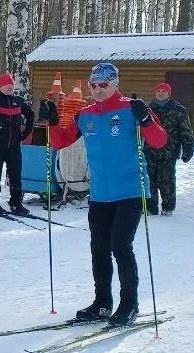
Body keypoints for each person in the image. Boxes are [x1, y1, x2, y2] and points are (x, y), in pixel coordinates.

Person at [44, 61, 168, 327]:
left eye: (104, 84)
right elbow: (61, 141)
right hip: (100, 194)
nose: (98, 89)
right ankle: (102, 303)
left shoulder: (131, 108)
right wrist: (52, 122)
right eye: (93, 85)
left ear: (115, 84)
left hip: (130, 190)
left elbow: (159, 141)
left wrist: (146, 120)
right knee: (99, 248)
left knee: (120, 246)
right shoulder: (85, 114)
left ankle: (129, 304)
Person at [0, 72, 35, 215]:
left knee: (15, 174)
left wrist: (26, 133)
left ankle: (16, 203)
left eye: (11, 85)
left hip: (14, 145)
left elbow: (30, 115)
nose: (9, 87)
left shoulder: (18, 101)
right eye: (6, 85)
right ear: (0, 86)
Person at [145, 82, 194, 215]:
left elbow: (186, 131)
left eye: (164, 91)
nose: (160, 93)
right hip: (149, 150)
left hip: (169, 151)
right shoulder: (148, 109)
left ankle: (168, 207)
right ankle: (150, 207)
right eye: (158, 91)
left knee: (166, 180)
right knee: (149, 179)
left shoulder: (179, 110)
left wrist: (188, 149)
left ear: (169, 93)